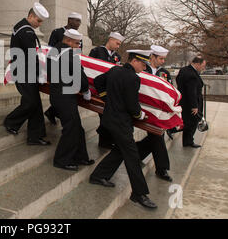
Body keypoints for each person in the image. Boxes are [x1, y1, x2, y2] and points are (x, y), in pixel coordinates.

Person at [89, 50, 158, 210]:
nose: (144, 67)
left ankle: (98, 176)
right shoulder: (133, 78)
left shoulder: (115, 70)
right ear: (134, 61)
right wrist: (139, 115)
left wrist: (106, 98)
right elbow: (132, 104)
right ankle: (139, 194)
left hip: (110, 118)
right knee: (132, 156)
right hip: (121, 122)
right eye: (142, 64)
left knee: (120, 150)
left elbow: (99, 81)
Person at [4, 3, 51, 146]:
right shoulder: (26, 31)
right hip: (24, 72)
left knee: (35, 103)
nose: (40, 24)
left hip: (25, 71)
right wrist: (41, 73)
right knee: (31, 103)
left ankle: (35, 136)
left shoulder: (23, 27)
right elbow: (32, 56)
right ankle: (10, 121)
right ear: (31, 16)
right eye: (38, 20)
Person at [47, 29, 94, 171]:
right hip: (65, 96)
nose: (78, 46)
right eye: (76, 43)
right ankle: (62, 160)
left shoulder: (54, 51)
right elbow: (79, 75)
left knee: (77, 128)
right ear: (67, 41)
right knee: (71, 129)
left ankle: (80, 156)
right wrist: (86, 90)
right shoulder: (68, 53)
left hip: (57, 94)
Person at [136, 45, 173, 182]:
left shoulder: (165, 73)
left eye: (164, 59)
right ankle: (162, 169)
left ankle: (137, 153)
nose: (163, 62)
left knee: (155, 135)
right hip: (142, 108)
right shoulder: (142, 69)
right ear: (152, 57)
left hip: (158, 111)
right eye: (161, 59)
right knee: (157, 136)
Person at [44, 12, 83, 125]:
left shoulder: (77, 36)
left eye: (79, 21)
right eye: (76, 20)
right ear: (69, 20)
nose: (78, 23)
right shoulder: (57, 32)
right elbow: (51, 50)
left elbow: (77, 53)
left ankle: (52, 112)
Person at [89, 32, 125, 149]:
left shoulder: (117, 57)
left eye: (120, 44)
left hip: (110, 89)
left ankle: (105, 140)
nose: (118, 46)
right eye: (117, 43)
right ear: (110, 40)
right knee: (104, 115)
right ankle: (105, 140)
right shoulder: (97, 51)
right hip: (98, 87)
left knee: (106, 115)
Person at [176, 57, 207, 148]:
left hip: (183, 101)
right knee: (192, 122)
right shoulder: (192, 75)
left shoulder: (183, 70)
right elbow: (191, 91)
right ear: (197, 64)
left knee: (187, 122)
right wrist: (194, 106)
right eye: (203, 66)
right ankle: (188, 141)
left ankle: (187, 141)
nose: (203, 68)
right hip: (191, 103)